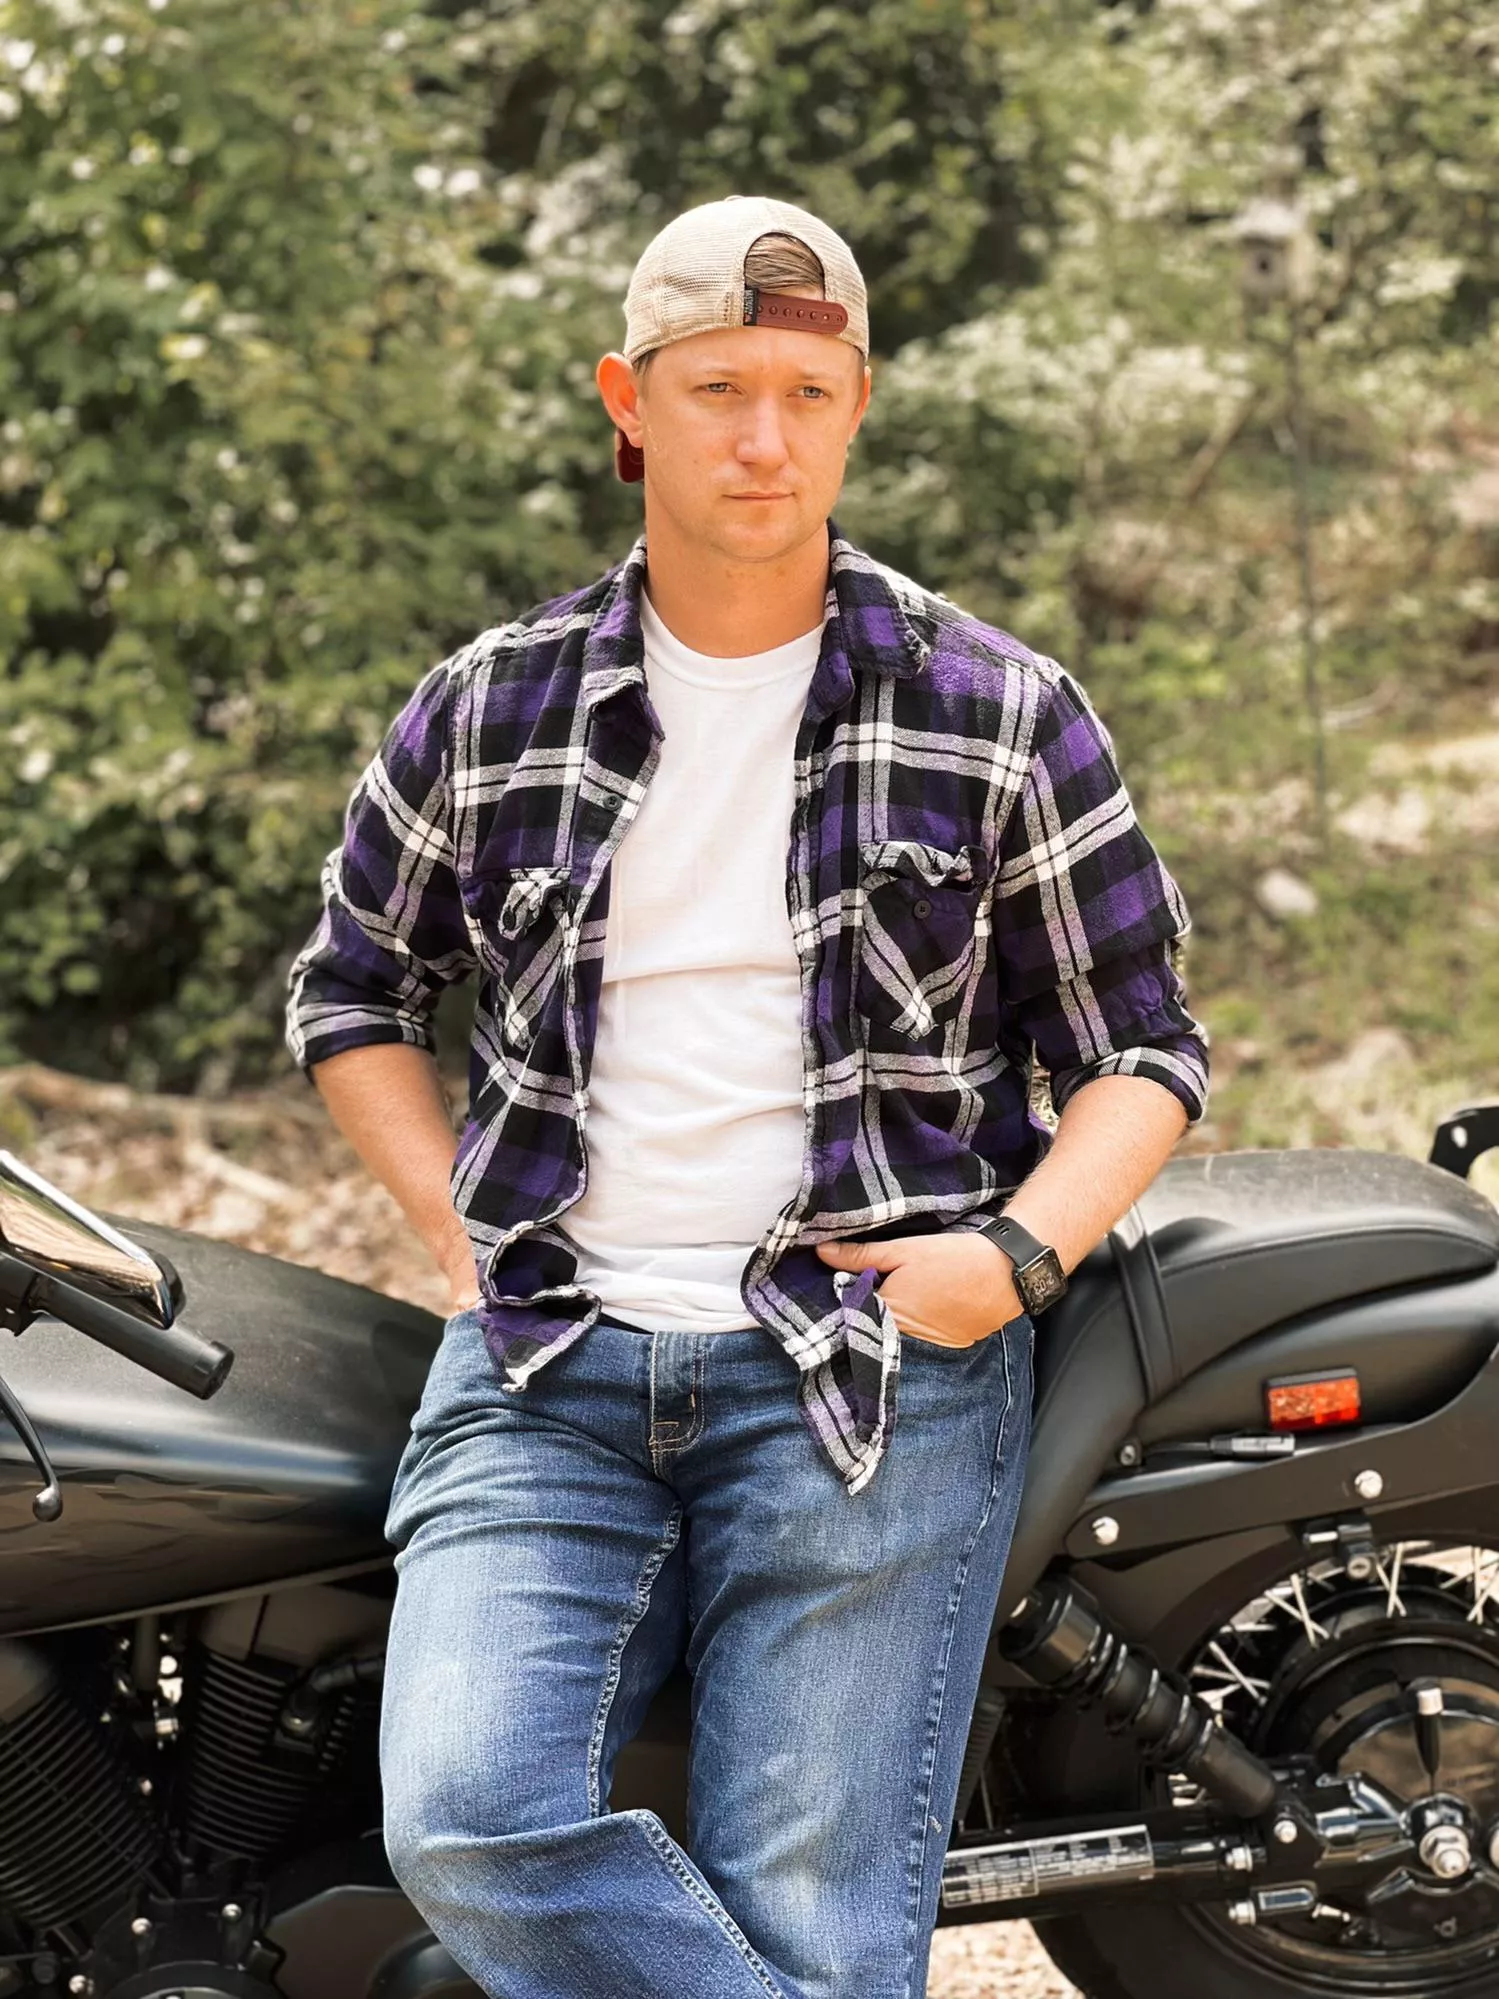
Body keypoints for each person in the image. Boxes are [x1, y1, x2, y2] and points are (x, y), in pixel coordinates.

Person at [285, 194, 1209, 1999]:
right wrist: (456, 1227)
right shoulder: (490, 707)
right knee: (465, 1818)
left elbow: (1140, 1048)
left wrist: (1010, 1259)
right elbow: (354, 988)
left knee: (810, 1922)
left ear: (857, 403)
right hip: (549, 1366)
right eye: (717, 389)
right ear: (629, 401)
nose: (762, 438)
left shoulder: (997, 708)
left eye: (804, 391)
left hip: (867, 1372)